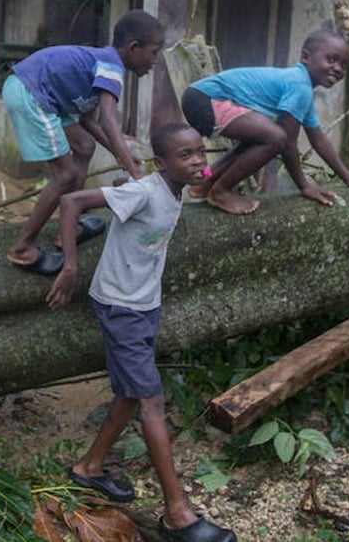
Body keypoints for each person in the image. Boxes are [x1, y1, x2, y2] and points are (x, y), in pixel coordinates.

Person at [47, 122, 238, 542]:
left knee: (129, 392)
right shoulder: (145, 191)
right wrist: (71, 267)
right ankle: (177, 514)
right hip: (120, 307)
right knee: (151, 400)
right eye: (185, 156)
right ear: (161, 163)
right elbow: (71, 201)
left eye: (199, 152)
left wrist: (226, 179)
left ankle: (90, 467)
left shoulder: (176, 185)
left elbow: (209, 175)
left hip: (144, 304)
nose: (196, 162)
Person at [4, 9, 164, 276]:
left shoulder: (103, 64)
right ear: (134, 48)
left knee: (84, 146)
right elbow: (111, 122)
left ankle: (69, 226)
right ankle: (22, 247)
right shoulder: (112, 68)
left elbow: (91, 122)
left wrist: (117, 152)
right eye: (154, 52)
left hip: (42, 95)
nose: (155, 61)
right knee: (64, 174)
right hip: (30, 92)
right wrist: (135, 173)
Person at [181, 30, 349, 215]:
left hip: (198, 96)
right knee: (276, 137)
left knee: (260, 140)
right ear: (306, 57)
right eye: (331, 59)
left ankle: (206, 181)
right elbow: (287, 143)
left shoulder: (302, 89)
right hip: (205, 99)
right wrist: (304, 185)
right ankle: (221, 191)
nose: (338, 68)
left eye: (344, 64)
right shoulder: (299, 85)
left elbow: (319, 140)